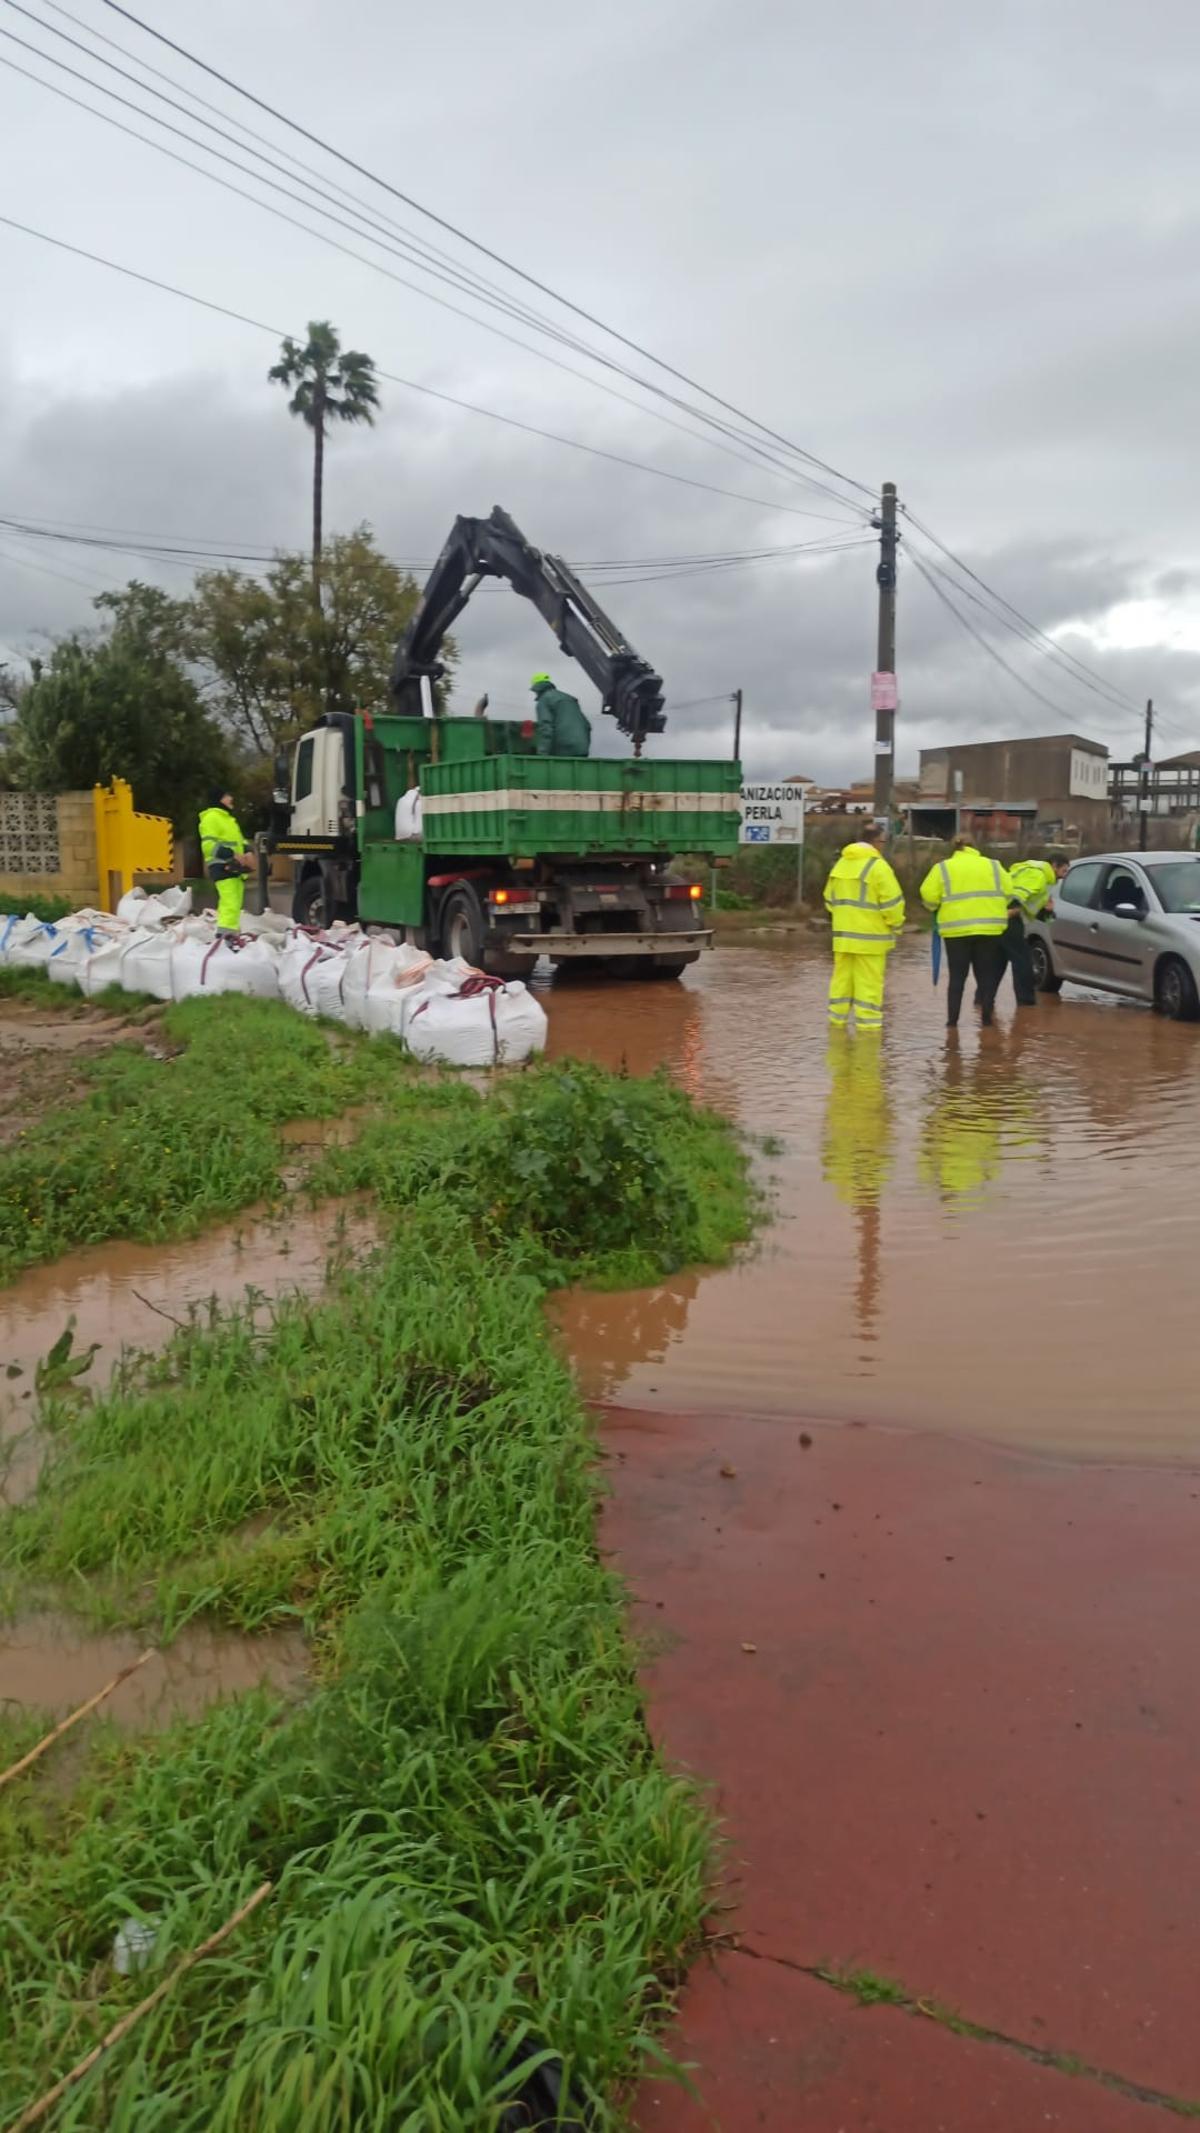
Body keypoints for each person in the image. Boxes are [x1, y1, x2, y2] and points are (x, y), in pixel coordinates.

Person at [920, 834, 1013, 1028]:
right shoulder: (994, 866)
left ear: (955, 848)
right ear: (974, 847)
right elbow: (1009, 892)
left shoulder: (943, 868)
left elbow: (928, 896)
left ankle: (952, 1023)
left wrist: (933, 907)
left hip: (956, 931)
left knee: (957, 978)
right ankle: (987, 1020)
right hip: (990, 929)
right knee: (986, 976)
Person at [822, 821, 906, 1031]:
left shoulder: (841, 864)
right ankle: (868, 1036)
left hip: (843, 939)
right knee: (868, 986)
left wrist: (845, 919)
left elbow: (829, 900)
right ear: (877, 842)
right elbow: (893, 904)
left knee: (841, 983)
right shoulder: (878, 867)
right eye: (884, 841)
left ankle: (836, 1027)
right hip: (871, 940)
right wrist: (896, 925)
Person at [999, 855, 1069, 1005]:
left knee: (998, 961)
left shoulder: (1046, 879)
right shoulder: (1038, 875)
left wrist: (1049, 912)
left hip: (1007, 919)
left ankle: (983, 1000)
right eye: (1064, 870)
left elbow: (1036, 909)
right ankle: (1026, 1002)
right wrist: (1012, 911)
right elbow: (1018, 895)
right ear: (1054, 866)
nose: (1065, 875)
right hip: (1008, 919)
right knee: (1023, 960)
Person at [198, 785, 254, 932]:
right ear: (218, 799)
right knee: (230, 902)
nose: (231, 798)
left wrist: (248, 852)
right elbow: (208, 846)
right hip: (222, 866)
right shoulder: (211, 818)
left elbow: (241, 841)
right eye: (227, 796)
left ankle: (229, 935)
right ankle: (226, 938)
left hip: (235, 867)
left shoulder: (229, 820)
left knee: (234, 903)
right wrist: (232, 854)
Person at [530, 672, 591, 757]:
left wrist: (542, 754)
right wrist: (584, 746)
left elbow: (546, 729)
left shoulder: (544, 701)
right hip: (581, 748)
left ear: (536, 688)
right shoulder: (569, 699)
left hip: (563, 749)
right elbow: (587, 725)